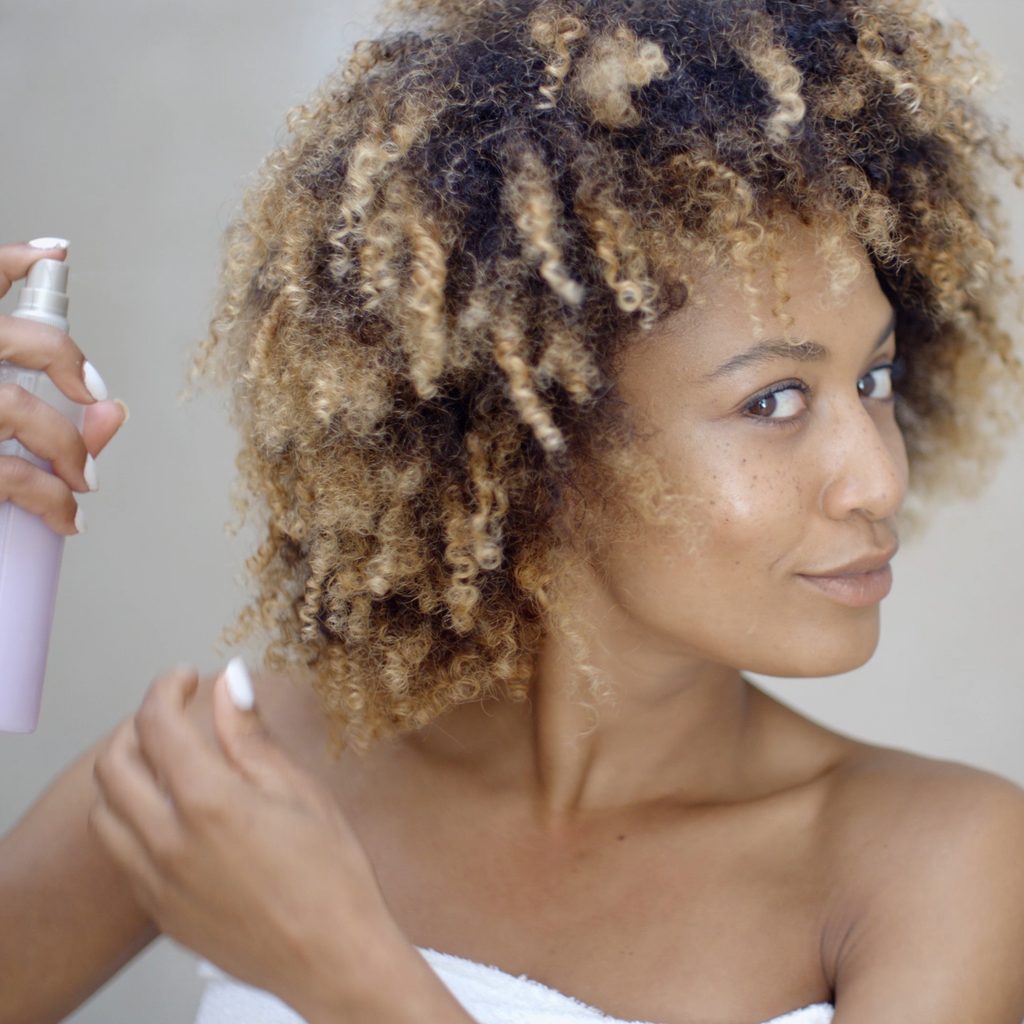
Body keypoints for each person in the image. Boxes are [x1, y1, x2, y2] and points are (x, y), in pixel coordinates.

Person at [2, 0, 1024, 1022]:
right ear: (531, 433)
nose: (877, 479)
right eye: (773, 401)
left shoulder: (937, 863)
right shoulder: (232, 777)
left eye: (874, 379)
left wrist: (344, 966)